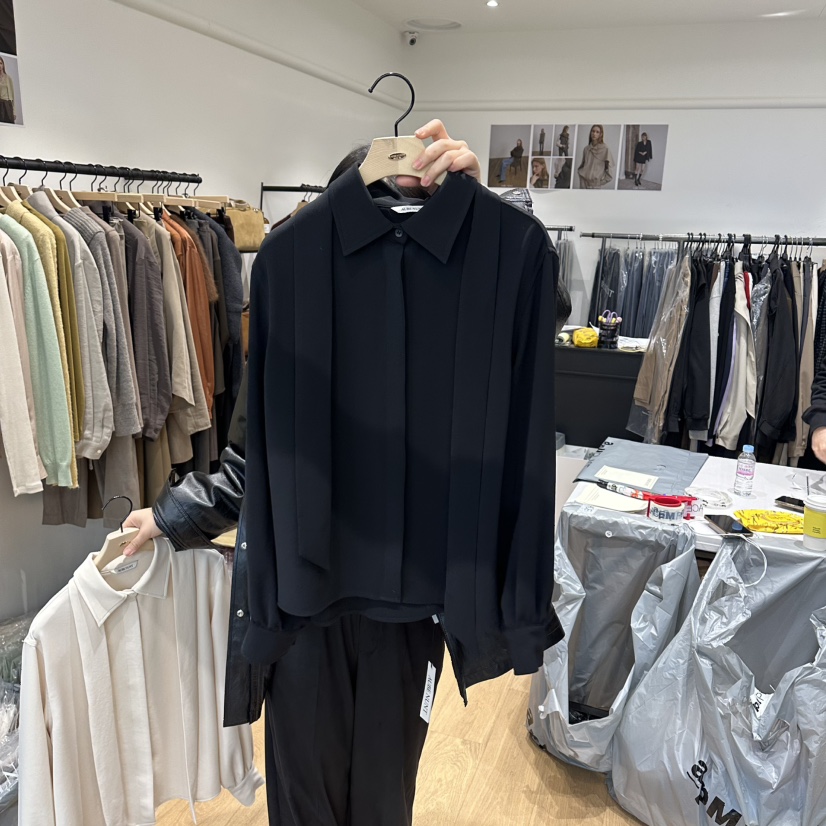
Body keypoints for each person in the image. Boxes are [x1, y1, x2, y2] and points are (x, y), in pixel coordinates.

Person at [121, 119, 570, 826]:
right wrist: (169, 515)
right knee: (307, 796)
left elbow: (540, 312)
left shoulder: (491, 268)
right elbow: (256, 455)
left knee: (385, 797)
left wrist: (490, 213)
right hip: (308, 602)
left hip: (415, 604)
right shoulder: (293, 269)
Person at [578, 124, 615, 189]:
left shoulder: (605, 149)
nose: (594, 134)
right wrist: (580, 174)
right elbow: (583, 165)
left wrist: (600, 182)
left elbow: (609, 171)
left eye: (597, 132)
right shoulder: (586, 149)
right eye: (593, 131)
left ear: (601, 134)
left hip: (595, 185)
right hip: (583, 182)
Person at [0, 56, 15, 124]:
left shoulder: (8, 78)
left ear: (3, 64)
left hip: (7, 105)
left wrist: (14, 112)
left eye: (0, 63)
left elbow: (13, 96)